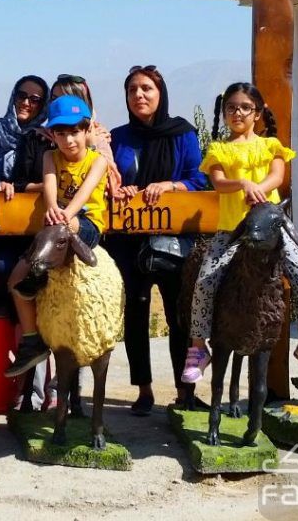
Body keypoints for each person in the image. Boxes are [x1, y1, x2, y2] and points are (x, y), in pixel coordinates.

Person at [181, 82, 298, 385]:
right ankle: (199, 348)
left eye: (245, 107)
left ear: (258, 113)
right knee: (206, 280)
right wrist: (243, 185)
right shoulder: (218, 149)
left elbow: (277, 176)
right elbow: (219, 182)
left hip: (271, 228)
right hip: (232, 231)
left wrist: (259, 189)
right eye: (231, 107)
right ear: (223, 113)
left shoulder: (271, 146)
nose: (238, 113)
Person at [106, 65, 206, 416]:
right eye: (132, 89)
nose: (139, 95)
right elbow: (108, 180)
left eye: (146, 88)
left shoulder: (182, 133)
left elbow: (199, 179)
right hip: (127, 241)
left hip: (172, 240)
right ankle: (144, 391)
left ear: (160, 93)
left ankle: (185, 390)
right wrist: (122, 189)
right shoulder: (118, 137)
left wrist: (172, 185)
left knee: (179, 315)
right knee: (136, 313)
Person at [4, 95, 109, 377]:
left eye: (75, 132)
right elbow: (50, 188)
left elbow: (85, 193)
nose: (69, 140)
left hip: (85, 224)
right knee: (15, 280)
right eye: (61, 133)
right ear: (52, 134)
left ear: (87, 130)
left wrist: (64, 215)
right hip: (55, 225)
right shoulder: (50, 157)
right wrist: (53, 209)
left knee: (67, 228)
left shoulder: (97, 161)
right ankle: (31, 340)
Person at [0, 75, 54, 407]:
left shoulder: (45, 137)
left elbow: (50, 177)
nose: (27, 103)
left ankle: (35, 394)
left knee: (38, 282)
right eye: (22, 95)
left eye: (36, 99)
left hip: (34, 231)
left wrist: (21, 188)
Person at [49, 73, 122, 197]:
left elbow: (109, 183)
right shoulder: (39, 136)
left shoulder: (99, 137)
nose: (59, 105)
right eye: (54, 99)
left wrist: (91, 143)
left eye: (66, 99)